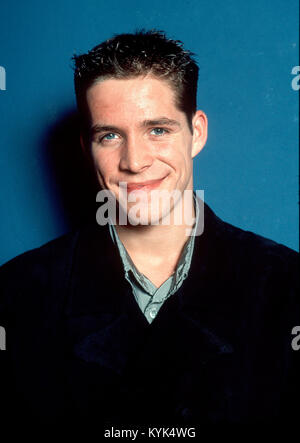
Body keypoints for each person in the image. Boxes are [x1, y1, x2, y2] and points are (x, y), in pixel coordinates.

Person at [0, 30, 299, 432]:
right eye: (109, 135)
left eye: (158, 130)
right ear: (86, 148)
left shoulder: (286, 283)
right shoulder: (18, 294)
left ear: (198, 132)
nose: (135, 161)